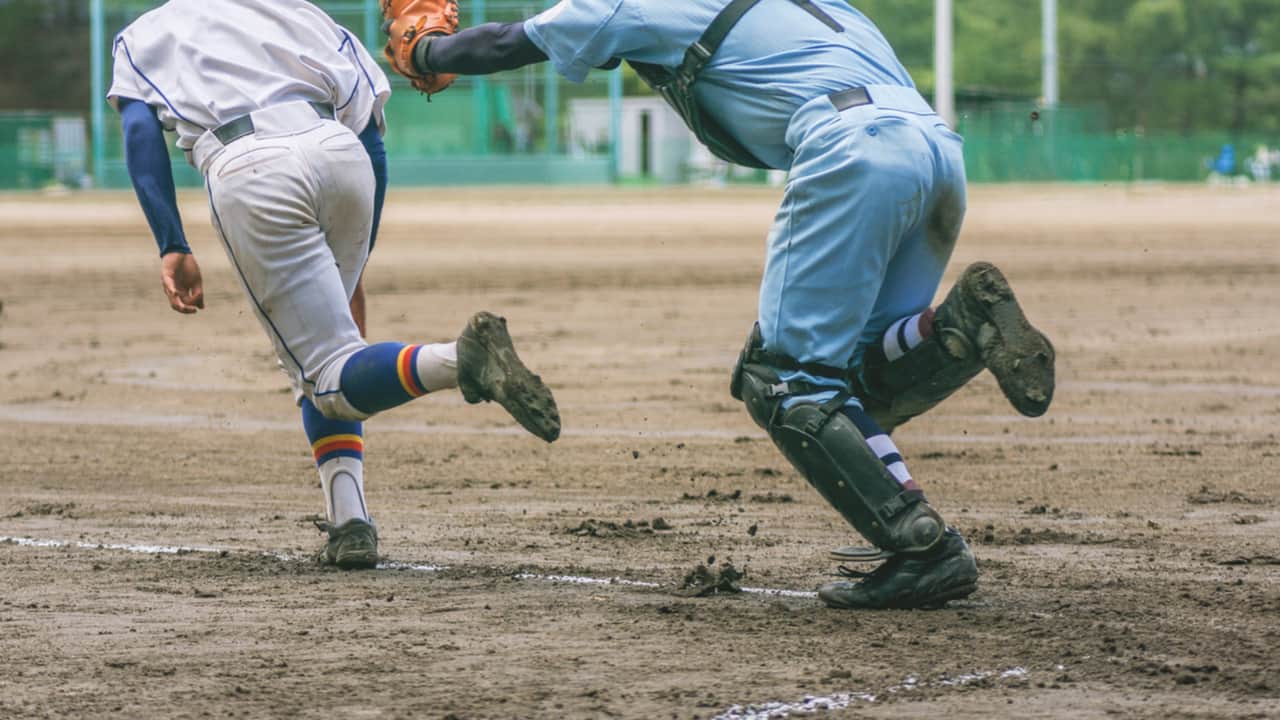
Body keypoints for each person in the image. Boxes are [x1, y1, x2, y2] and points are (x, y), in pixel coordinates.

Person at [382, 0, 1055, 608]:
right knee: (850, 378)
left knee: (783, 380)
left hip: (853, 151)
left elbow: (510, 42)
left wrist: (426, 51)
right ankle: (957, 328)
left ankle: (923, 546)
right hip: (935, 150)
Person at [109, 0, 561, 570]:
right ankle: (350, 522)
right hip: (341, 155)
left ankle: (461, 361)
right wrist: (358, 253)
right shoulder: (304, 13)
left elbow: (138, 132)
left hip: (248, 166)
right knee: (331, 352)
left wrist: (172, 242)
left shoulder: (147, 31)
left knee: (326, 374)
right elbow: (370, 128)